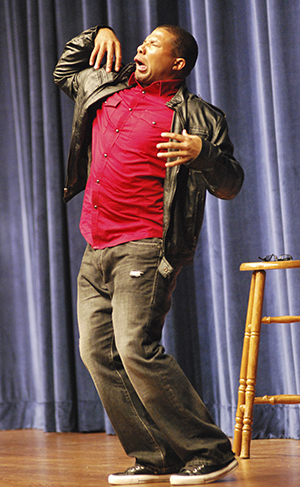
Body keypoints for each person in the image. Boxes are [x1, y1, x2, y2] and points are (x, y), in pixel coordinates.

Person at [54, 24, 244, 485]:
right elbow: (65, 71)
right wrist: (93, 33)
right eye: (143, 42)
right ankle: (155, 454)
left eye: (154, 45)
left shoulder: (199, 117)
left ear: (177, 64)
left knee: (136, 348)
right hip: (95, 243)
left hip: (145, 242)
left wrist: (205, 154)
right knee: (97, 351)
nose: (141, 47)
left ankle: (211, 450)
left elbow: (230, 183)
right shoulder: (104, 86)